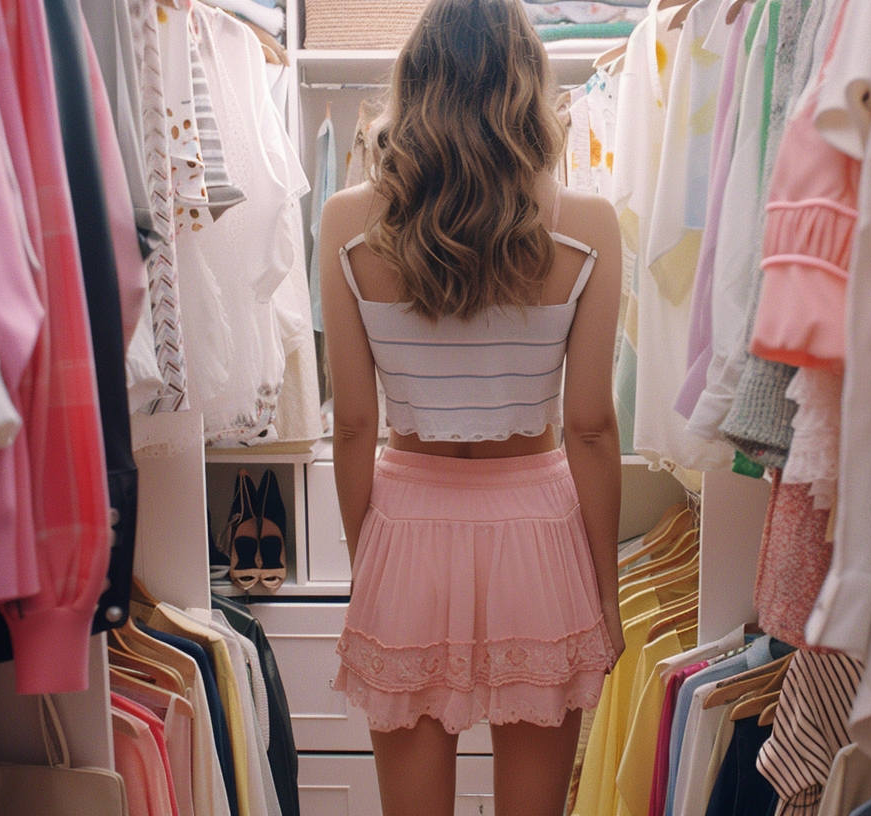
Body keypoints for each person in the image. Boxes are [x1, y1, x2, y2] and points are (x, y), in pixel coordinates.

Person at [318, 1, 625, 813]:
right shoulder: (588, 227)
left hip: (407, 527)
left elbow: (352, 424)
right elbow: (591, 426)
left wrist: (369, 564)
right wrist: (608, 592)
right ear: (527, 86)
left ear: (413, 84)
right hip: (540, 533)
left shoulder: (348, 224)